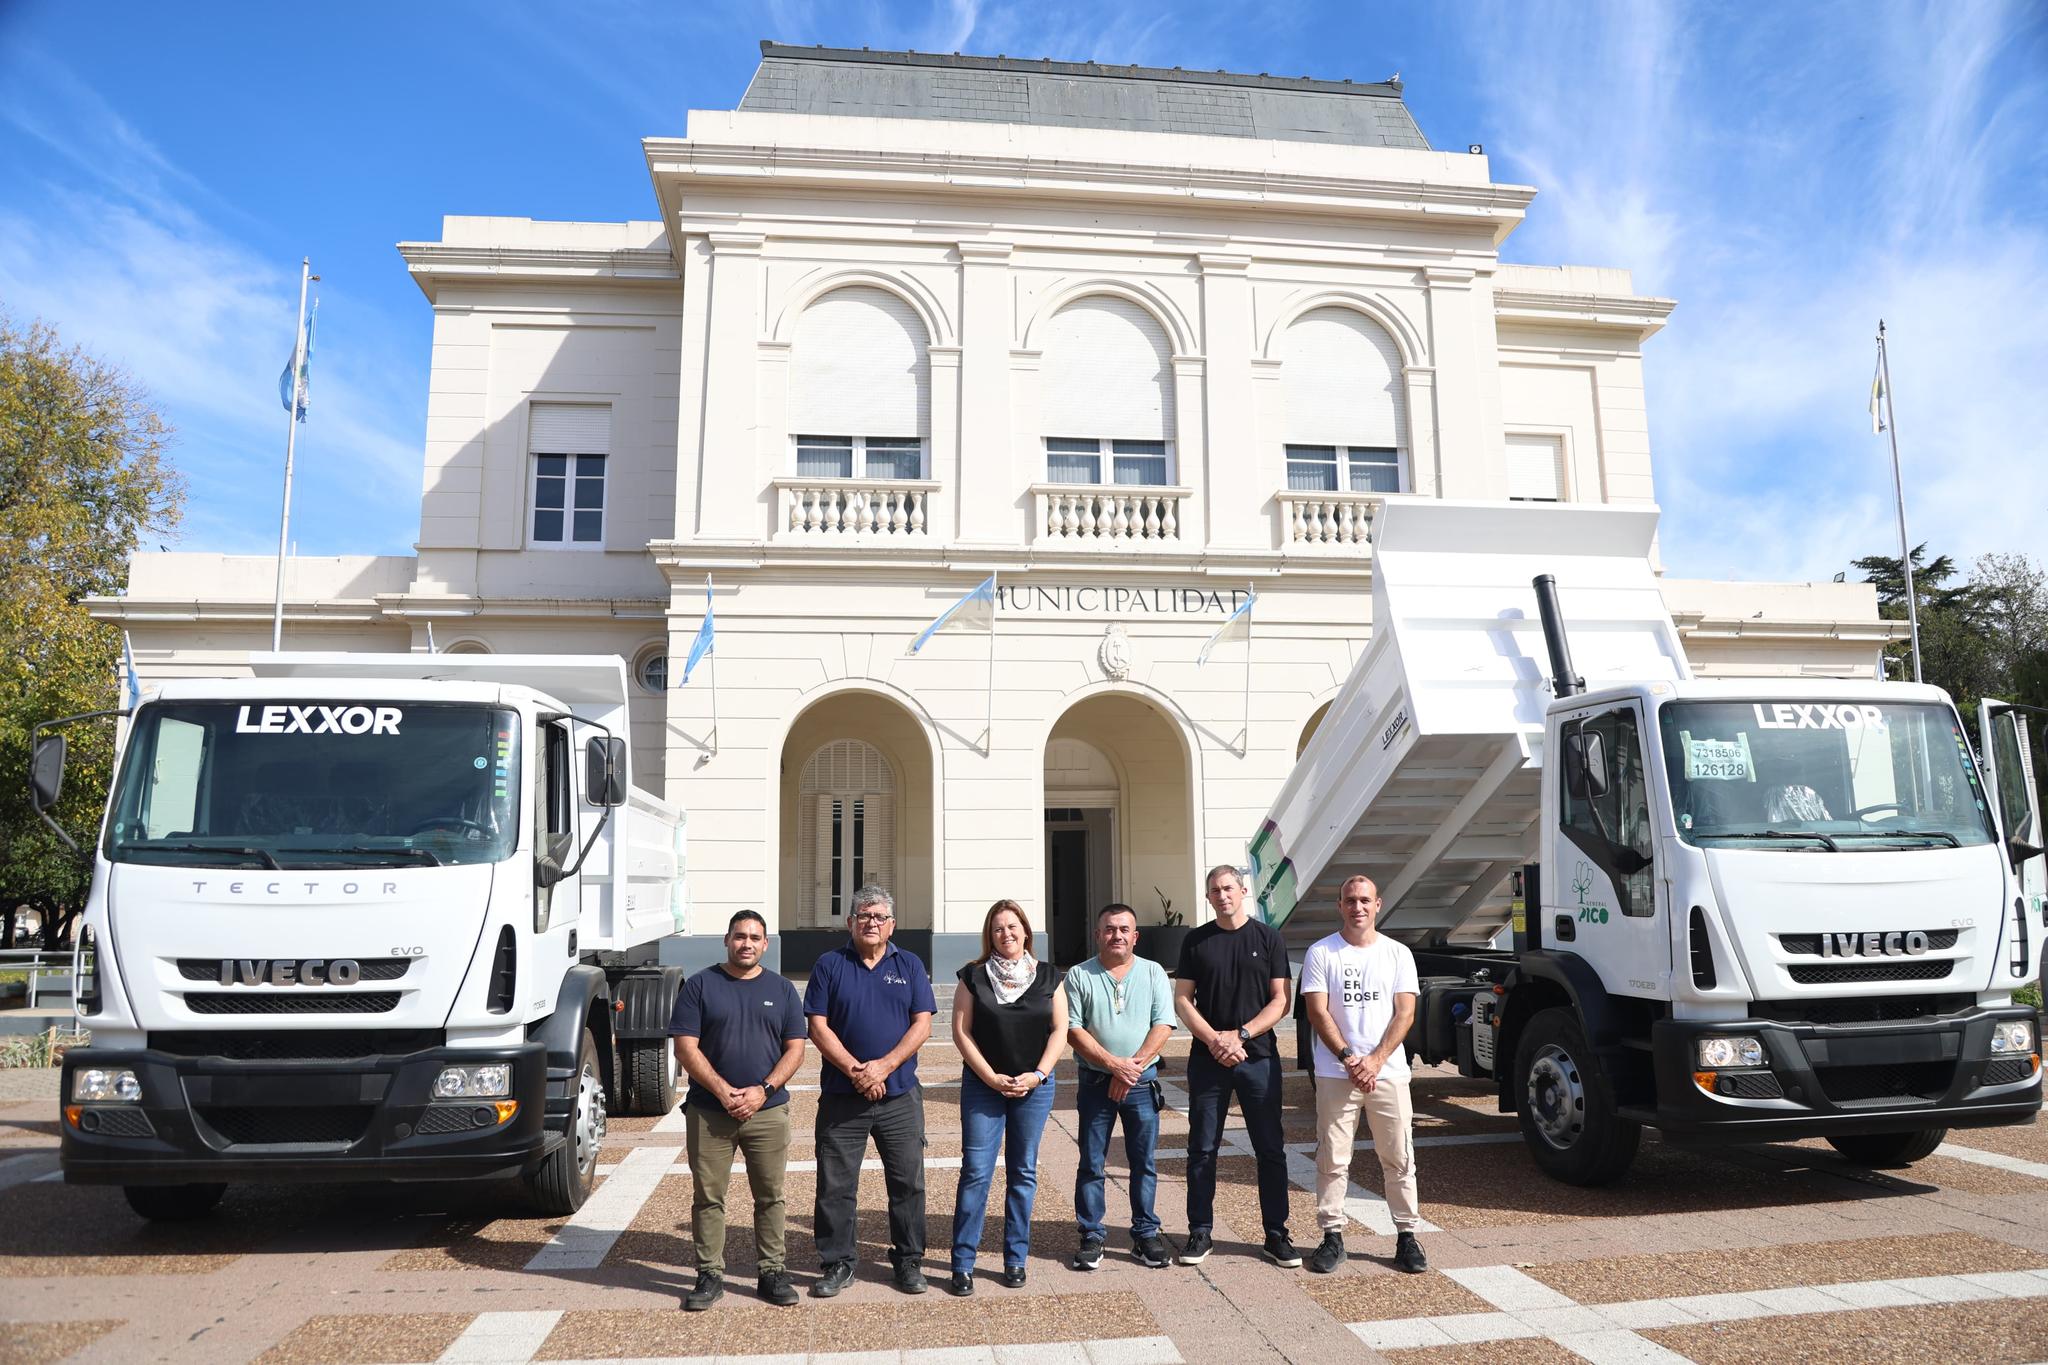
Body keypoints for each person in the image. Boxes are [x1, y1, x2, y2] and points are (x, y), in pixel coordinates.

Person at [669, 910, 809, 1311]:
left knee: (770, 1196)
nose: (746, 943)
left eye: (755, 937)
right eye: (739, 936)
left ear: (766, 944)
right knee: (709, 1197)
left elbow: (795, 1049)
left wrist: (763, 1091)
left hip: (767, 1112)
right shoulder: (700, 986)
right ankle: (709, 1274)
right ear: (726, 940)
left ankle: (771, 1271)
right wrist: (723, 1090)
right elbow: (685, 1047)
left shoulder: (782, 990)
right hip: (710, 1113)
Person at [803, 884, 937, 1297]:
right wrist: (855, 1070)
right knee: (835, 1185)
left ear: (892, 924)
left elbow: (922, 1024)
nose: (872, 922)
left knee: (908, 1183)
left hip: (899, 1096)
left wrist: (883, 1067)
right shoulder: (829, 964)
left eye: (880, 916)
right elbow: (817, 1026)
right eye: (864, 915)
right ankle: (838, 1263)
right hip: (843, 1098)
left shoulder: (910, 964)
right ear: (850, 923)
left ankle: (909, 1261)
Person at [1299, 874, 1426, 1275]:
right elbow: (1317, 1011)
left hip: (1388, 1074)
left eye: (1365, 900)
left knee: (1399, 1157)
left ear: (1378, 904)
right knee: (1333, 1159)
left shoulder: (1397, 953)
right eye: (1350, 900)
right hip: (1336, 1074)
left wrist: (1375, 1061)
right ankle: (1332, 1236)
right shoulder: (1322, 953)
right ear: (1340, 906)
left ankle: (1407, 1237)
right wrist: (1351, 1058)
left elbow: (1405, 1012)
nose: (1358, 907)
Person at [1174, 865, 1297, 1267]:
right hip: (1208, 1060)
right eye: (1214, 890)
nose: (1222, 895)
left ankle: (1276, 1234)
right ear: (1208, 897)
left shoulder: (1268, 938)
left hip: (1257, 1058)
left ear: (1243, 890)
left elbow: (1281, 1000)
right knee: (1202, 1148)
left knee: (1270, 1149)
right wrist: (1215, 1040)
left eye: (1228, 887)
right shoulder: (1196, 941)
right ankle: (1200, 1232)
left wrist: (1240, 1036)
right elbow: (1182, 1000)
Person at [945, 900, 1067, 1295]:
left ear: (1026, 931)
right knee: (977, 1172)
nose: (1006, 934)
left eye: (1013, 927)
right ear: (990, 935)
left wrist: (1038, 1075)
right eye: (998, 929)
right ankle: (963, 1263)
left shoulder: (1050, 977)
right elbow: (962, 1033)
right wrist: (991, 1077)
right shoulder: (973, 977)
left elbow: (1059, 1031)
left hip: (1034, 1089)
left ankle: (1015, 1259)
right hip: (985, 1088)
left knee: (1023, 1173)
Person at [1064, 902, 1174, 1271]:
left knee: (1143, 1163)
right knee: (1092, 1162)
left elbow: (1163, 1025)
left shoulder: (1154, 972)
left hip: (1142, 1085)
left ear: (1135, 936)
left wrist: (1131, 1068)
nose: (1117, 935)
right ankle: (1092, 1236)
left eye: (1124, 929)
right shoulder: (1078, 975)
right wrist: (1113, 1066)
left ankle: (1145, 1234)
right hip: (1095, 1083)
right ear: (1097, 935)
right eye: (1109, 929)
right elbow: (1073, 1029)